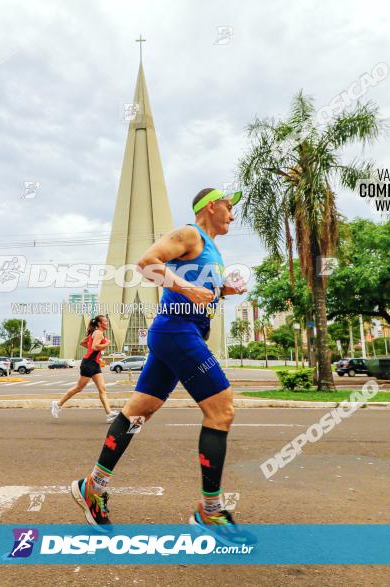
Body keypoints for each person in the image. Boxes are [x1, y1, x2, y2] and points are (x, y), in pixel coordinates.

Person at [69, 187, 255, 546]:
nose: (233, 214)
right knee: (221, 409)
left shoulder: (212, 249)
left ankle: (92, 487)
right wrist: (188, 290)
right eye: (229, 207)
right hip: (177, 330)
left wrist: (224, 290)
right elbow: (147, 264)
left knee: (139, 410)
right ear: (211, 206)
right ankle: (209, 511)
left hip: (181, 332)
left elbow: (201, 290)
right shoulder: (189, 233)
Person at [52, 315, 120, 423]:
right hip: (88, 364)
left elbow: (83, 343)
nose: (107, 323)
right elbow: (94, 347)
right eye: (105, 321)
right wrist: (107, 343)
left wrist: (93, 347)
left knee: (102, 389)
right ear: (99, 324)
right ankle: (57, 404)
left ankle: (109, 414)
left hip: (95, 364)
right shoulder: (98, 333)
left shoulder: (95, 333)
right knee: (78, 388)